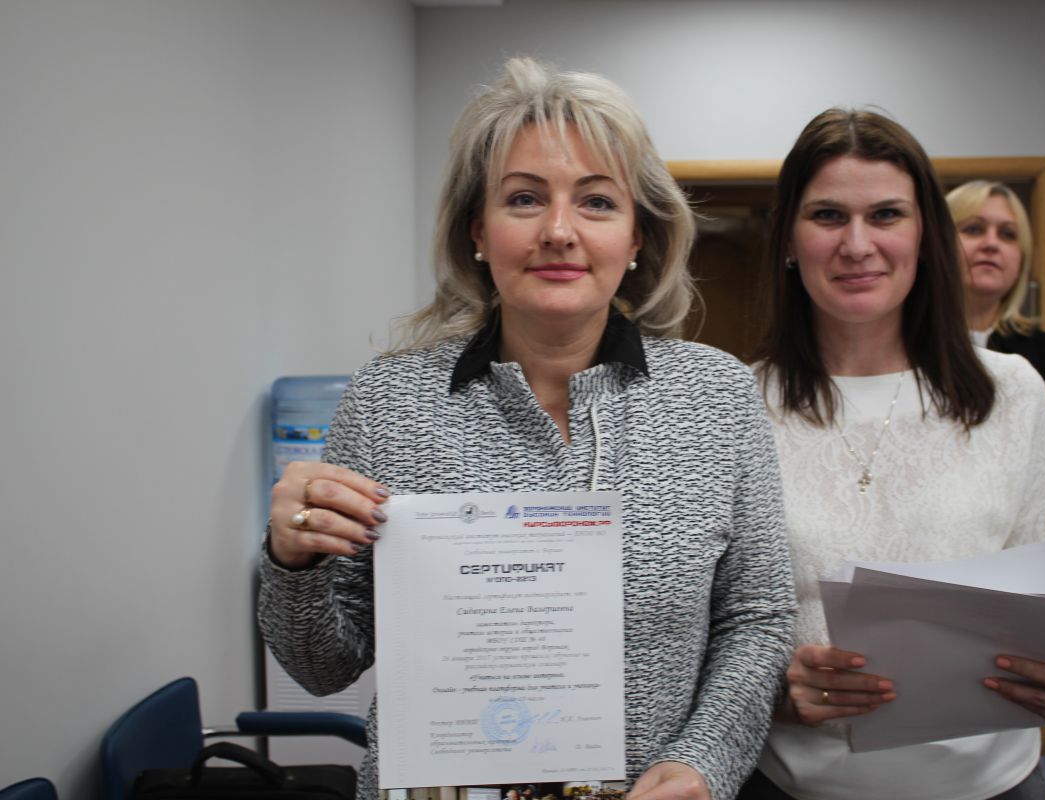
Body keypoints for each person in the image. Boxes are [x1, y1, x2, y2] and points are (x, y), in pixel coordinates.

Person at [257, 58, 795, 800]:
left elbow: (757, 619)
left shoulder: (716, 397)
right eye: (524, 199)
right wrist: (293, 561)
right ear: (478, 231)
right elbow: (323, 669)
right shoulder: (389, 400)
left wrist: (703, 763)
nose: (559, 231)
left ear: (638, 236)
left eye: (597, 202)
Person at [740, 109, 1045, 800]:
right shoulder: (737, 404)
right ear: (789, 237)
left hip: (993, 784)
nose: (857, 245)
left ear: (924, 234)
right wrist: (778, 694)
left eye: (886, 215)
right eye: (827, 216)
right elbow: (713, 622)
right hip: (793, 783)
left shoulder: (1012, 390)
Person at [946, 180, 1045, 513]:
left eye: (1008, 234)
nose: (991, 244)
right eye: (973, 229)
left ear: (1022, 258)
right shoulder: (895, 343)